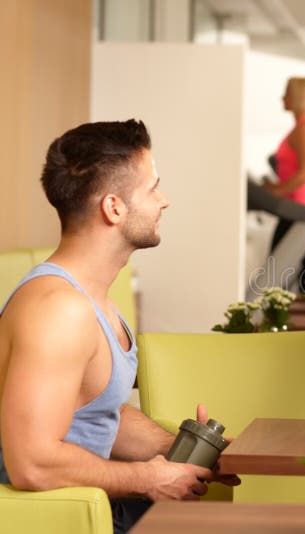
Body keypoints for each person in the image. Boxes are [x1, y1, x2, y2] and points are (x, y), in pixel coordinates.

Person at [0, 120, 240, 534]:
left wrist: (176, 448)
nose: (164, 201)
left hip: (101, 509)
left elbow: (94, 412)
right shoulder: (59, 309)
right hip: (65, 521)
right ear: (113, 208)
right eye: (152, 188)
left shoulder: (95, 300)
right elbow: (31, 462)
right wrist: (148, 478)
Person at [266, 77, 305, 289]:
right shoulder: (304, 126)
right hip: (299, 207)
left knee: (278, 275)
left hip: (304, 208)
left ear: (298, 97)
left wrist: (276, 192)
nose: (282, 97)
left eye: (287, 93)